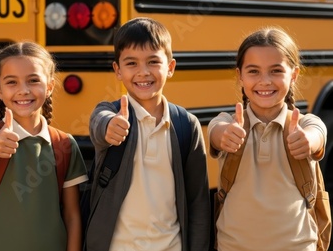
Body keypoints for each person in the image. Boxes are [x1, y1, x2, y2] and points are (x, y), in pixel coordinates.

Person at [85, 17, 211, 251]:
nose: (143, 72)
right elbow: (98, 122)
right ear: (118, 70)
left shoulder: (186, 125)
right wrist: (110, 126)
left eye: (153, 62)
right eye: (131, 63)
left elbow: (198, 202)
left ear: (170, 67)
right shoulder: (112, 113)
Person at [208, 27, 327, 251]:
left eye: (275, 71)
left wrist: (308, 141)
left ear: (294, 75)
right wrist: (223, 135)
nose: (265, 81)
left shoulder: (304, 124)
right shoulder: (228, 123)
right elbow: (216, 132)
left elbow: (317, 133)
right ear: (239, 76)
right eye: (253, 71)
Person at [0, 42, 88, 251]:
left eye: (33, 81)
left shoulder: (64, 144)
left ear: (50, 86)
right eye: (11, 82)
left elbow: (72, 215)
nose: (23, 90)